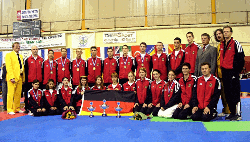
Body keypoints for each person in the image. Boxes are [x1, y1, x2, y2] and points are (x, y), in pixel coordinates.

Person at [220, 26, 245, 121]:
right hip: (225, 72)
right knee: (227, 93)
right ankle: (232, 113)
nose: (225, 33)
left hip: (233, 71)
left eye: (227, 31)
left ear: (231, 33)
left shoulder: (236, 43)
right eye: (224, 31)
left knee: (234, 93)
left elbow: (241, 58)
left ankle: (238, 114)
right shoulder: (222, 44)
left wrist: (236, 71)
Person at [5, 42, 25, 114]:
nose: (18, 47)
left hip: (20, 76)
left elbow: (22, 66)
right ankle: (9, 109)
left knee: (18, 94)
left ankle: (17, 108)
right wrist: (11, 77)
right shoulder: (9, 55)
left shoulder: (21, 56)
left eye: (19, 46)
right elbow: (9, 67)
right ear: (13, 47)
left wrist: (23, 78)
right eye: (16, 46)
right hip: (12, 78)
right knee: (10, 94)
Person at [214, 28, 230, 115]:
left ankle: (231, 111)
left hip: (227, 73)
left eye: (220, 33)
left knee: (228, 92)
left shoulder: (228, 44)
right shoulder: (219, 46)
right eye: (217, 34)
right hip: (220, 73)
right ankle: (225, 109)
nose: (218, 35)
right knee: (222, 92)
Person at [24, 45, 44, 113]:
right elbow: (26, 71)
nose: (35, 50)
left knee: (40, 96)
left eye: (36, 49)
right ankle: (27, 108)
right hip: (30, 81)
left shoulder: (41, 60)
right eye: (33, 49)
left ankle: (40, 107)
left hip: (39, 81)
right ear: (31, 50)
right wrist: (26, 81)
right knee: (28, 96)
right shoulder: (27, 59)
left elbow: (43, 71)